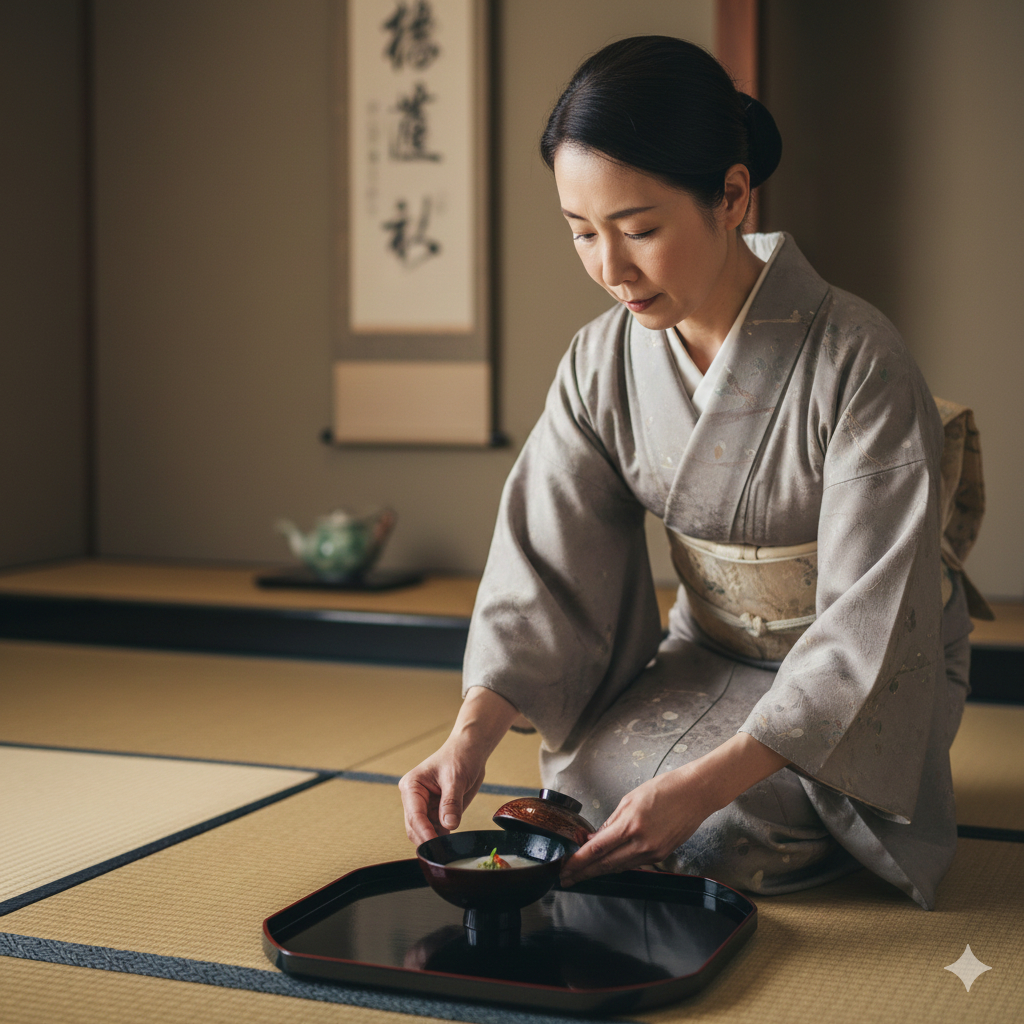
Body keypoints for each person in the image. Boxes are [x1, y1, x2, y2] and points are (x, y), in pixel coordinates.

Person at [398, 36, 986, 910]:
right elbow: (545, 563)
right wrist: (468, 736)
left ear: (733, 198)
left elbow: (875, 613)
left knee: (717, 827)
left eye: (638, 230)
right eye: (582, 234)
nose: (609, 269)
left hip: (860, 683)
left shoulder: (858, 359)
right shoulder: (601, 362)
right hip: (708, 651)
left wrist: (708, 784)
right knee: (580, 792)